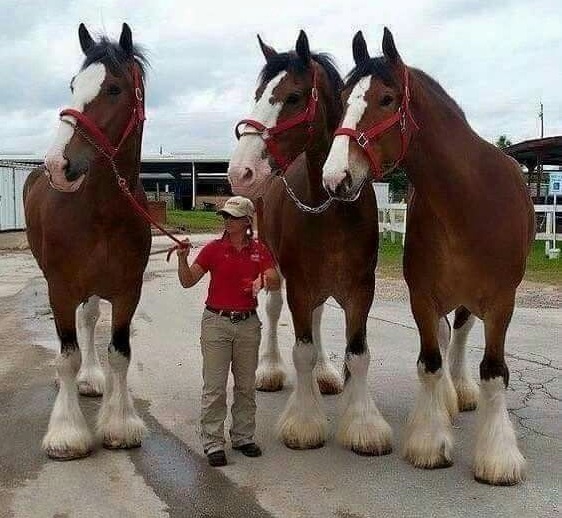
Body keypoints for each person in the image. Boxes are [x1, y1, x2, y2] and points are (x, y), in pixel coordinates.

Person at [176, 196, 280, 467]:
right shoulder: (212, 250)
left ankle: (243, 436)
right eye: (225, 216)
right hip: (216, 323)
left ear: (247, 221)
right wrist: (182, 260)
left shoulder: (259, 250)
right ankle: (213, 442)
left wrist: (262, 279)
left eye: (233, 216)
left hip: (247, 324)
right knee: (215, 387)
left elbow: (275, 279)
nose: (227, 221)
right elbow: (188, 281)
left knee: (246, 386)